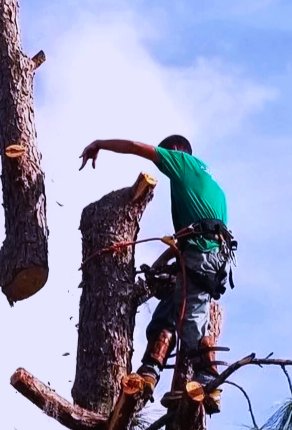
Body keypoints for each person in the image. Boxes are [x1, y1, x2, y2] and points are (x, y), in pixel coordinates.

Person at [79, 133, 234, 407]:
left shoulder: (182, 162)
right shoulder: (209, 183)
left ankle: (209, 382)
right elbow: (193, 235)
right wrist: (162, 265)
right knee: (166, 314)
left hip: (202, 254)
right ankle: (150, 372)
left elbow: (135, 147)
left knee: (192, 318)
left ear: (175, 151)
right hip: (210, 256)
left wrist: (100, 144)